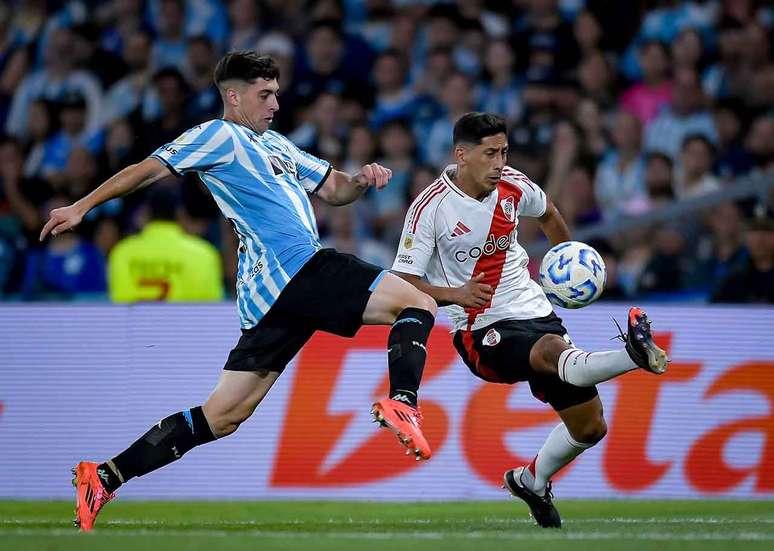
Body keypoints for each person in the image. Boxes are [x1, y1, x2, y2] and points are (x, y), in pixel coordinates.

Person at [40, 52, 437, 531]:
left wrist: (359, 180)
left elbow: (333, 189)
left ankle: (104, 476)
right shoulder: (217, 135)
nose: (274, 103)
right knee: (418, 302)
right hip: (295, 268)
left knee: (224, 416)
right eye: (264, 94)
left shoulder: (280, 146)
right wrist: (82, 206)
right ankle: (403, 401)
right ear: (234, 96)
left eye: (275, 93)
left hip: (273, 294)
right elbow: (149, 168)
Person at [391, 112, 669, 528]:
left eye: (504, 151)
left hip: (536, 311)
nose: (500, 162)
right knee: (553, 353)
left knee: (591, 427)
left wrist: (569, 261)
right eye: (490, 153)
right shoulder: (430, 208)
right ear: (462, 155)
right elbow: (403, 280)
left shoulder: (514, 185)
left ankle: (531, 481)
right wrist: (456, 294)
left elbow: (549, 212)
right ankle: (634, 354)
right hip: (479, 329)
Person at [108, 186, 224, 302]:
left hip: (136, 320)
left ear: (147, 212)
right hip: (185, 320)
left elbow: (117, 302)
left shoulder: (122, 252)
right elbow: (212, 307)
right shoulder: (204, 254)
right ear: (180, 212)